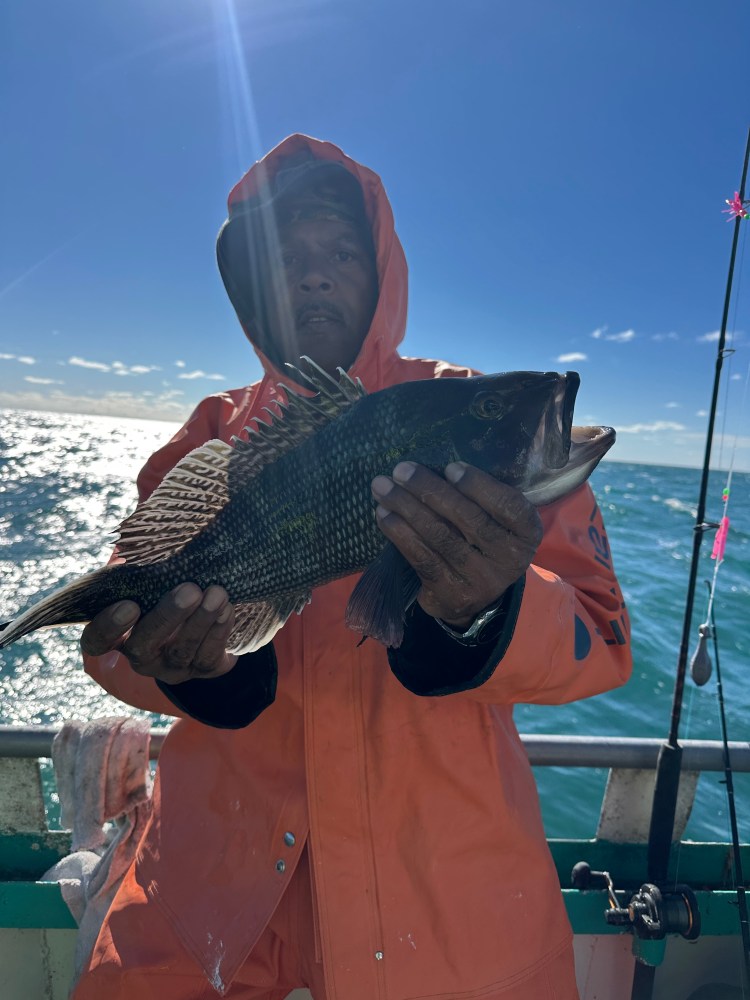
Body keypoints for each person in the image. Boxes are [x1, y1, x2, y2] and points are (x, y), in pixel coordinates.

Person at [73, 134, 631, 1000]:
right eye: (288, 257)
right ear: (253, 286)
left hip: (450, 929)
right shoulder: (210, 438)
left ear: (382, 273)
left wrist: (486, 610)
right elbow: (112, 633)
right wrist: (194, 672)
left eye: (339, 249)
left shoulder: (472, 414)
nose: (316, 273)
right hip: (200, 918)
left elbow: (601, 633)